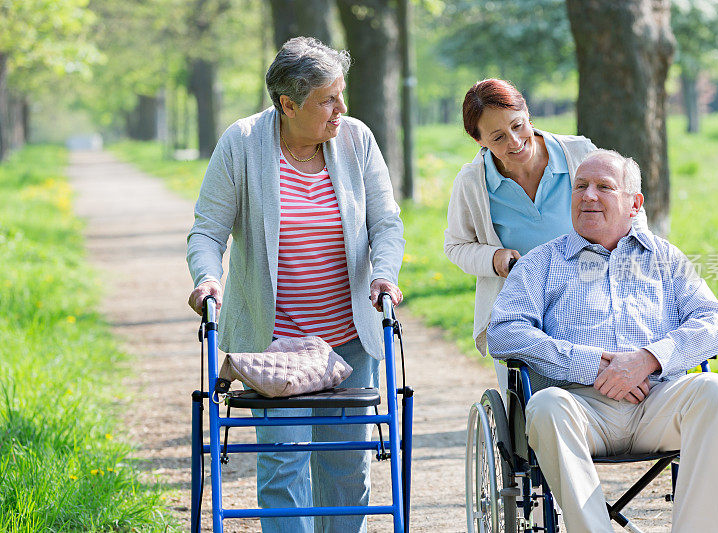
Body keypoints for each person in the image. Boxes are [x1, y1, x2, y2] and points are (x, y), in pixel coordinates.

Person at [186, 37, 405, 533]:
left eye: (341, 95)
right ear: (288, 104)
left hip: (349, 340)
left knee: (347, 467)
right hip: (274, 343)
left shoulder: (355, 139)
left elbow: (386, 224)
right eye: (328, 99)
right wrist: (206, 279)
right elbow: (207, 231)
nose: (341, 110)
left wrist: (384, 274)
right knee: (283, 466)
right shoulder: (242, 144)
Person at [487, 149, 718, 532]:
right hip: (581, 409)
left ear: (634, 203)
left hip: (656, 403)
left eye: (604, 187)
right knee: (546, 406)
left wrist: (647, 359)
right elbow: (504, 331)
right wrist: (592, 364)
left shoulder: (665, 260)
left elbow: (717, 323)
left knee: (716, 391)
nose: (588, 196)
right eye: (580, 187)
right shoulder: (541, 264)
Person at [444, 78, 645, 396]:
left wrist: (632, 253)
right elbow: (456, 245)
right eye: (498, 137)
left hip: (593, 296)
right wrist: (493, 258)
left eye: (517, 125)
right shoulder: (472, 183)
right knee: (536, 404)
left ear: (527, 112)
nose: (514, 142)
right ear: (479, 141)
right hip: (524, 308)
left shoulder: (578, 152)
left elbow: (628, 207)